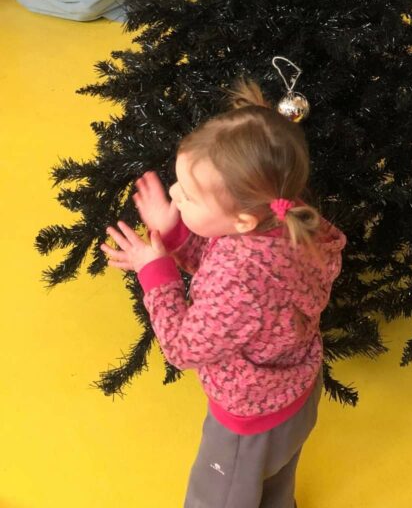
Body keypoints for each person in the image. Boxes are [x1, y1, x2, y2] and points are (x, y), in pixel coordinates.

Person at [101, 81, 346, 508]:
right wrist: (174, 232)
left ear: (243, 221)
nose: (174, 195)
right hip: (298, 392)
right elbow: (219, 260)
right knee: (274, 485)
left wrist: (155, 273)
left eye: (188, 196)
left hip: (248, 423)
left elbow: (183, 347)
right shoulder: (283, 219)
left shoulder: (242, 279)